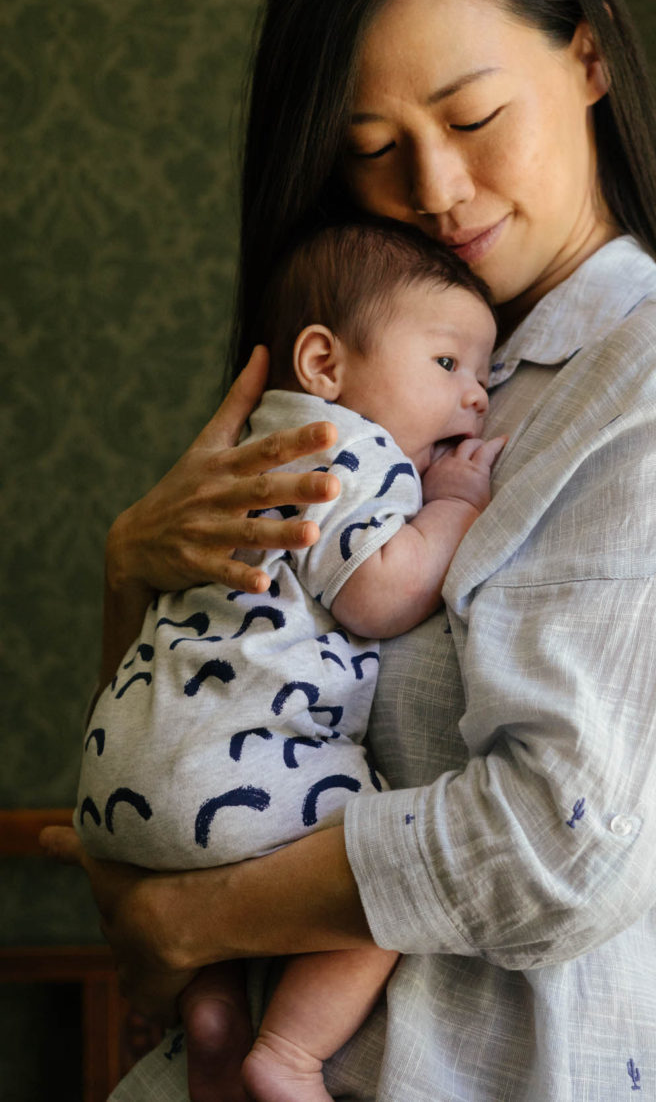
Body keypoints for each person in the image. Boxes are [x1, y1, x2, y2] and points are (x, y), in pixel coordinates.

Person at [42, 0, 656, 1101]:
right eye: (372, 145)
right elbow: (204, 715)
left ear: (589, 56)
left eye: (471, 116)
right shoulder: (388, 386)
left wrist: (188, 924)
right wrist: (131, 570)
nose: (434, 189)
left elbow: (560, 842)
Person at [76, 218, 503, 1102]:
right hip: (229, 775)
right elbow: (378, 596)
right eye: (447, 364)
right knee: (392, 871)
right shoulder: (349, 450)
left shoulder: (233, 452)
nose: (476, 398)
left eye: (483, 374)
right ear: (324, 364)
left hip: (127, 775)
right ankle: (290, 1053)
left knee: (223, 852)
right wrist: (453, 504)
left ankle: (216, 1009)